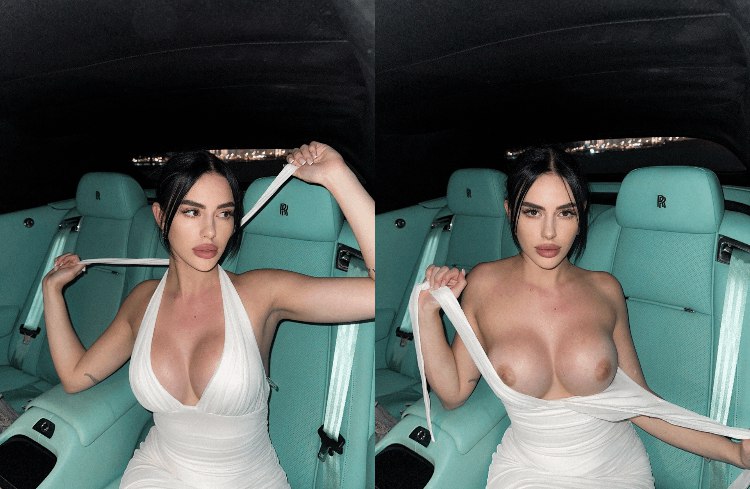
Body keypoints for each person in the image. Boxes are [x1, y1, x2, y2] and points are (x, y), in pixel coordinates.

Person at [42, 142, 374, 488]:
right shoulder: (141, 302)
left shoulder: (261, 293)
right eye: (192, 212)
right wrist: (51, 291)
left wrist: (337, 175)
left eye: (224, 213)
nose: (211, 231)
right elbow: (76, 376)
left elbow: (376, 290)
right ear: (160, 217)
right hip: (157, 472)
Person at [416, 146, 750, 488]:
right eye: (532, 212)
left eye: (565, 213)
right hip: (526, 471)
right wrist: (428, 312)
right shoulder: (483, 285)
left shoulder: (605, 291)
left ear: (581, 215)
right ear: (510, 211)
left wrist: (735, 453)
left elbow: (643, 406)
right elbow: (453, 393)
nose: (549, 232)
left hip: (615, 471)